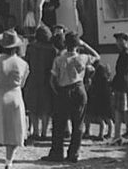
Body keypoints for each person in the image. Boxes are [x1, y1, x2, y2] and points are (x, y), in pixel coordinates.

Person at [42, 32, 99, 163]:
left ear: (65, 44)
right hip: (79, 88)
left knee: (59, 123)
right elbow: (97, 56)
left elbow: (52, 80)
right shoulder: (83, 58)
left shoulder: (59, 59)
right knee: (78, 123)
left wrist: (57, 91)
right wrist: (84, 45)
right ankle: (74, 153)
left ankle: (57, 152)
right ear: (77, 44)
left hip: (63, 90)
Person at [0, 30, 29, 169]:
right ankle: (8, 163)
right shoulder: (23, 64)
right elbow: (22, 83)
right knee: (13, 130)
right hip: (15, 95)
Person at [24, 25, 56, 141]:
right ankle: (44, 133)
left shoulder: (31, 47)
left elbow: (26, 62)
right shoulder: (52, 49)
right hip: (47, 79)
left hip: (32, 78)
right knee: (45, 108)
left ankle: (35, 132)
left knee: (33, 107)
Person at [84, 59, 114, 141]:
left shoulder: (95, 75)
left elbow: (91, 85)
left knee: (99, 116)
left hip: (98, 98)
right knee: (107, 117)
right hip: (107, 97)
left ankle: (99, 133)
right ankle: (109, 133)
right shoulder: (106, 76)